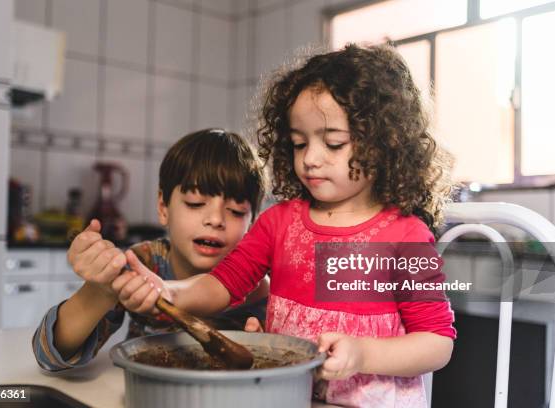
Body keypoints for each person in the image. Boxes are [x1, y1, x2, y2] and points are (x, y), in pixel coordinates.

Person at [113, 44, 456, 407]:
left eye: (333, 143)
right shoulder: (279, 223)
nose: (310, 158)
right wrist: (171, 292)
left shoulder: (405, 236)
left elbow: (437, 344)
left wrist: (363, 355)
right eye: (298, 143)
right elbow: (224, 284)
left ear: (384, 142)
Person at [32, 128, 268, 371]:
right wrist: (101, 290)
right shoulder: (142, 264)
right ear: (163, 207)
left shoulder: (258, 288)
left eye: (236, 211)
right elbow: (49, 355)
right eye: (195, 204)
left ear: (253, 223)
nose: (216, 219)